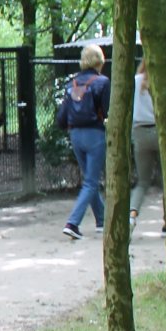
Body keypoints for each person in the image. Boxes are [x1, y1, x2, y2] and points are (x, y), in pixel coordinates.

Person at [58, 44, 111, 240]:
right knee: (90, 182)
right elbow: (107, 112)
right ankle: (72, 223)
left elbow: (61, 117)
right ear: (100, 60)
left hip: (75, 135)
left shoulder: (72, 84)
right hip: (94, 135)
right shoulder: (102, 82)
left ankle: (102, 221)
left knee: (90, 180)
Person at [130, 60, 163, 227]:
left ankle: (132, 214)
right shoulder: (162, 80)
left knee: (142, 182)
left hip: (139, 132)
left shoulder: (134, 81)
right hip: (160, 131)